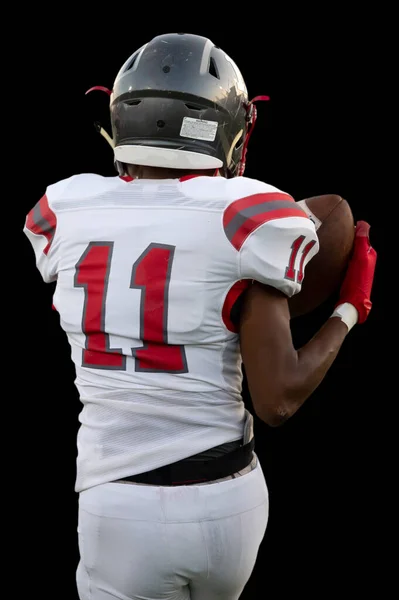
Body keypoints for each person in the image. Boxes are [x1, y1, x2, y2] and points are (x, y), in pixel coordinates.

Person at [23, 33, 377, 600]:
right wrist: (347, 312)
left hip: (121, 509)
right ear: (229, 132)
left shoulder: (65, 208)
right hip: (227, 504)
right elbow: (279, 399)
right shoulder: (248, 217)